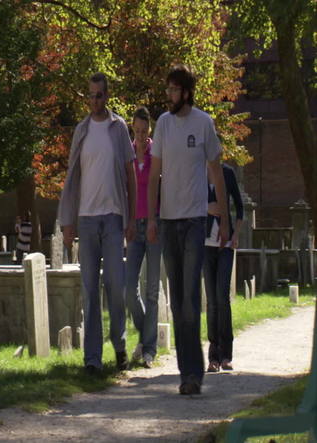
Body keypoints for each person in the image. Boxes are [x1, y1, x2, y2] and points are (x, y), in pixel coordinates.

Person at [147, 64, 229, 395]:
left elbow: (217, 173)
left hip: (195, 220)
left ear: (187, 92)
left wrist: (223, 219)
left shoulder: (204, 123)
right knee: (178, 299)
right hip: (168, 221)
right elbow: (154, 175)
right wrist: (151, 218)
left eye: (174, 90)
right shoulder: (164, 124)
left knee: (190, 300)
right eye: (167, 89)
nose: (169, 95)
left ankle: (194, 374)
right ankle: (186, 372)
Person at [58, 72, 137, 374]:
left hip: (114, 217)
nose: (94, 100)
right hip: (87, 219)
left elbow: (130, 174)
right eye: (90, 95)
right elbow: (72, 178)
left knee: (115, 286)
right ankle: (91, 359)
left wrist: (131, 217)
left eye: (99, 95)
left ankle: (119, 347)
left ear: (107, 96)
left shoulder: (118, 129)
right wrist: (68, 221)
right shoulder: (81, 130)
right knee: (90, 290)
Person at [125, 106, 161, 368]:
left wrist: (152, 221)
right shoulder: (126, 152)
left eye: (143, 131)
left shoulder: (155, 152)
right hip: (133, 227)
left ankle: (149, 350)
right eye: (136, 130)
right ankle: (146, 334)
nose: (139, 135)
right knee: (129, 289)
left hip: (154, 224)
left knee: (151, 290)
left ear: (149, 130)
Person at [203, 163, 243, 372]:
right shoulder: (198, 172)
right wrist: (206, 207)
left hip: (226, 245)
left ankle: (226, 354)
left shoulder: (227, 173)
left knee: (222, 298)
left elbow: (239, 206)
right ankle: (213, 356)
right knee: (211, 302)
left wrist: (236, 235)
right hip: (205, 245)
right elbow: (189, 203)